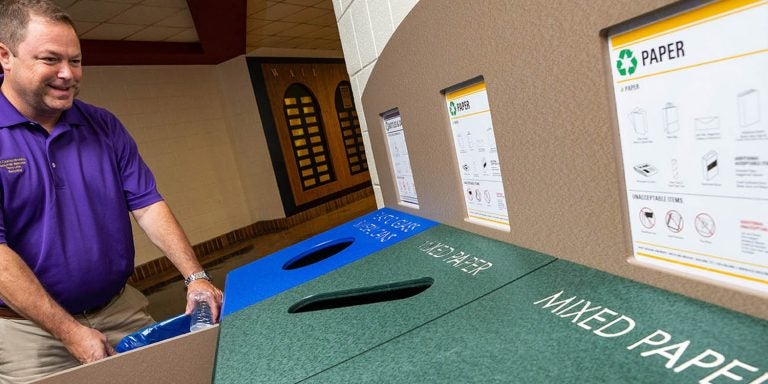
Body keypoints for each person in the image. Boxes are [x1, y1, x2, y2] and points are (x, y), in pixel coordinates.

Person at [0, 0, 223, 382]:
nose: (68, 74)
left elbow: (147, 204)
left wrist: (195, 276)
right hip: (27, 331)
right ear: (5, 55)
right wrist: (70, 332)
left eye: (76, 60)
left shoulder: (102, 125)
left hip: (119, 307)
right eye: (51, 60)